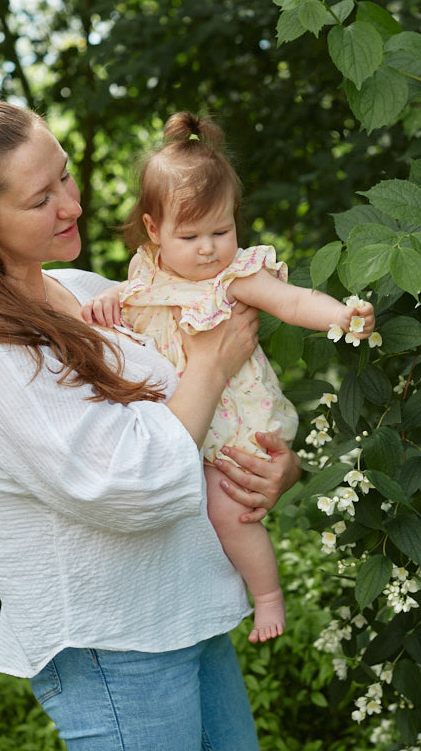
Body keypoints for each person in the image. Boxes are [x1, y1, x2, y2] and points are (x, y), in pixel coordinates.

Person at [0, 98, 301, 750]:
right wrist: (213, 364)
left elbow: (206, 419)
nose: (72, 204)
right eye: (41, 198)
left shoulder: (82, 289)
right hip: (113, 645)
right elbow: (131, 483)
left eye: (65, 176)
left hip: (185, 616)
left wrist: (273, 465)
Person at [79, 112, 374, 644]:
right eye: (189, 235)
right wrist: (105, 299)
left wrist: (342, 317)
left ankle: (266, 595)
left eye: (222, 230)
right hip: (180, 422)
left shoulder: (234, 277)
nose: (209, 248)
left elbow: (293, 300)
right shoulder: (144, 271)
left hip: (234, 424)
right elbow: (123, 300)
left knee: (227, 510)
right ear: (153, 230)